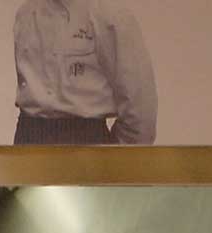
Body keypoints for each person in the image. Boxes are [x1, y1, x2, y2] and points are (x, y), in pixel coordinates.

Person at [12, 0, 157, 145]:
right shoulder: (25, 13)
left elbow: (140, 105)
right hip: (29, 135)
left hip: (84, 137)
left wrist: (119, 158)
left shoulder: (110, 14)